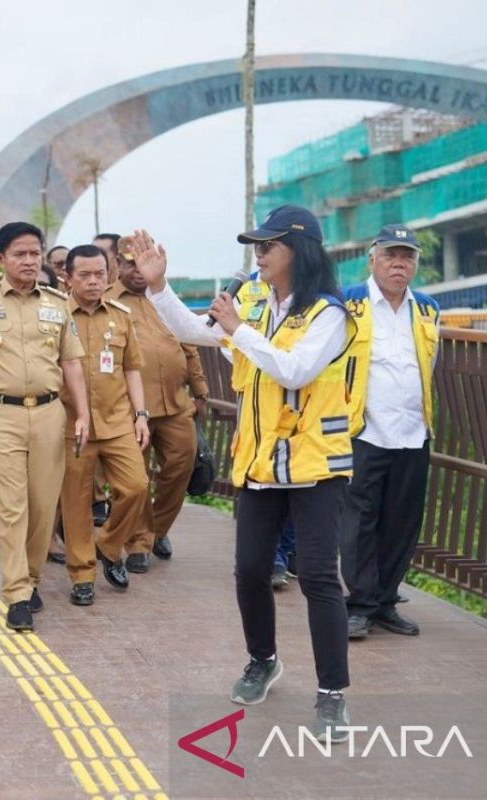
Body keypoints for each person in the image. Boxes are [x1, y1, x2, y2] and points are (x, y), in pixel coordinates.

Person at [131, 205, 358, 742]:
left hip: (314, 466)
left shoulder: (330, 314)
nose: (258, 252)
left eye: (268, 244)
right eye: (256, 244)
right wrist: (159, 286)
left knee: (320, 578)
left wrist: (240, 331)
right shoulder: (257, 303)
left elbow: (295, 368)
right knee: (250, 569)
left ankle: (332, 695)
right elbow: (196, 330)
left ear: (298, 251)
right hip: (259, 463)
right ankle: (263, 660)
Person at [0, 222, 89, 632]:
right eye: (19, 254)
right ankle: (16, 593)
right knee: (12, 506)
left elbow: (72, 362)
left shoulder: (57, 303)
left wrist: (82, 413)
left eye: (34, 253)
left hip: (49, 413)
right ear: (0, 259)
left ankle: (31, 577)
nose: (29, 261)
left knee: (44, 506)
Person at [342, 225, 439, 639]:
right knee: (360, 520)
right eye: (391, 256)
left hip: (413, 432)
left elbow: (431, 366)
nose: (399, 264)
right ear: (372, 258)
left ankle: (385, 601)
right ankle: (360, 604)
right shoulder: (349, 303)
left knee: (402, 520)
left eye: (407, 257)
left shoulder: (429, 310)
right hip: (363, 430)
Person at [105, 237, 208, 566]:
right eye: (129, 264)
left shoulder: (165, 298)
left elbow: (189, 342)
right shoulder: (107, 302)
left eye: (142, 263)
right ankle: (137, 543)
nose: (137, 271)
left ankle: (156, 529)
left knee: (181, 466)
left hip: (176, 403)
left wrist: (201, 389)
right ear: (118, 265)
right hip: (130, 407)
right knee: (134, 477)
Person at [59, 244, 149, 607]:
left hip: (116, 421)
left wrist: (141, 414)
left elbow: (131, 368)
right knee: (76, 503)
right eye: (85, 275)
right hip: (71, 424)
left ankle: (108, 545)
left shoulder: (121, 315)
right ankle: (82, 575)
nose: (94, 281)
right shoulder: (55, 314)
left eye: (100, 274)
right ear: (68, 277)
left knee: (136, 486)